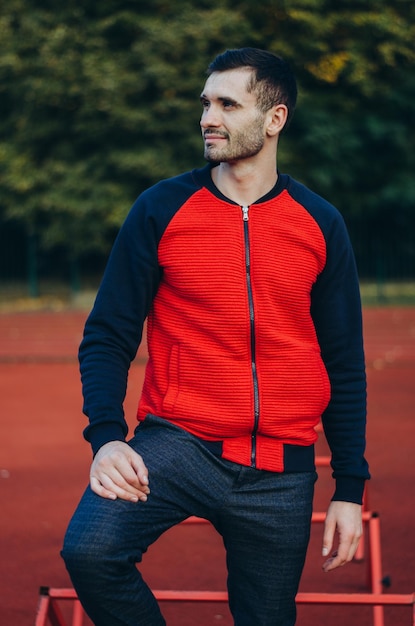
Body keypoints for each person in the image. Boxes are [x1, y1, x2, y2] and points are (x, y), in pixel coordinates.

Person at [61, 47, 370, 626]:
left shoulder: (320, 222)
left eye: (228, 104)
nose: (209, 117)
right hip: (179, 444)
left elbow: (345, 364)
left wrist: (348, 488)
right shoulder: (161, 208)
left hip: (281, 471)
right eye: (206, 102)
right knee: (90, 551)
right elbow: (107, 334)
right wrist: (106, 436)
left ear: (274, 118)